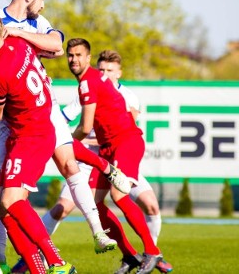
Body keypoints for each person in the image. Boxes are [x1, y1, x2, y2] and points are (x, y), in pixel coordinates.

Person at [0, 0, 127, 272]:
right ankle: (11, 260)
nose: (44, 6)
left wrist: (15, 35)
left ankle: (72, 250)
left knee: (42, 179)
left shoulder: (21, 40)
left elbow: (57, 46)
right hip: (28, 116)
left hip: (28, 124)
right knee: (5, 195)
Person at [41, 49, 173, 273]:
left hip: (124, 146)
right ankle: (130, 255)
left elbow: (99, 126)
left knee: (122, 195)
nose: (105, 73)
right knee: (95, 205)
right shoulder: (88, 86)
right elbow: (68, 119)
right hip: (104, 152)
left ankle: (152, 251)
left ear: (118, 73)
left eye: (109, 70)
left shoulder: (112, 91)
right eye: (102, 69)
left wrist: (65, 143)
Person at [0, 13, 75, 274]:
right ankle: (36, 268)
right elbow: (54, 45)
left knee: (12, 201)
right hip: (34, 132)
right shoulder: (20, 44)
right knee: (4, 207)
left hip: (31, 138)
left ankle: (57, 263)